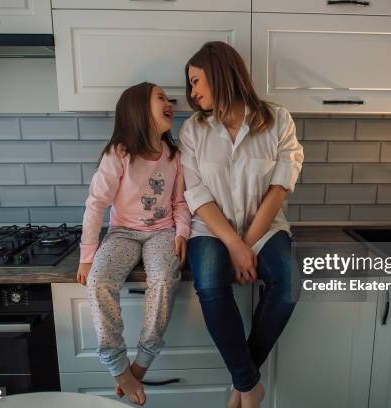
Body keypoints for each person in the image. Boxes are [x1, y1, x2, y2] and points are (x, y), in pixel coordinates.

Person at [179, 41, 304, 408]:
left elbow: (281, 186)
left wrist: (246, 243)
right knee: (210, 285)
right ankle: (250, 386)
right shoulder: (192, 130)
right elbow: (197, 195)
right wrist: (233, 245)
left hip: (264, 227)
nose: (192, 91)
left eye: (196, 80)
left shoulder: (277, 119)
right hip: (211, 230)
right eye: (190, 84)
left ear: (219, 74)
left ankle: (242, 383)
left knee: (289, 285)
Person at [76, 82, 190, 406]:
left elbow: (181, 202)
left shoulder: (174, 155)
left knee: (165, 278)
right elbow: (96, 203)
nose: (170, 103)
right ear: (138, 109)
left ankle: (143, 358)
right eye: (161, 98)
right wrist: (87, 255)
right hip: (123, 232)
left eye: (169, 99)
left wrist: (182, 233)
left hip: (162, 232)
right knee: (98, 280)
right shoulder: (120, 153)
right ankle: (116, 364)